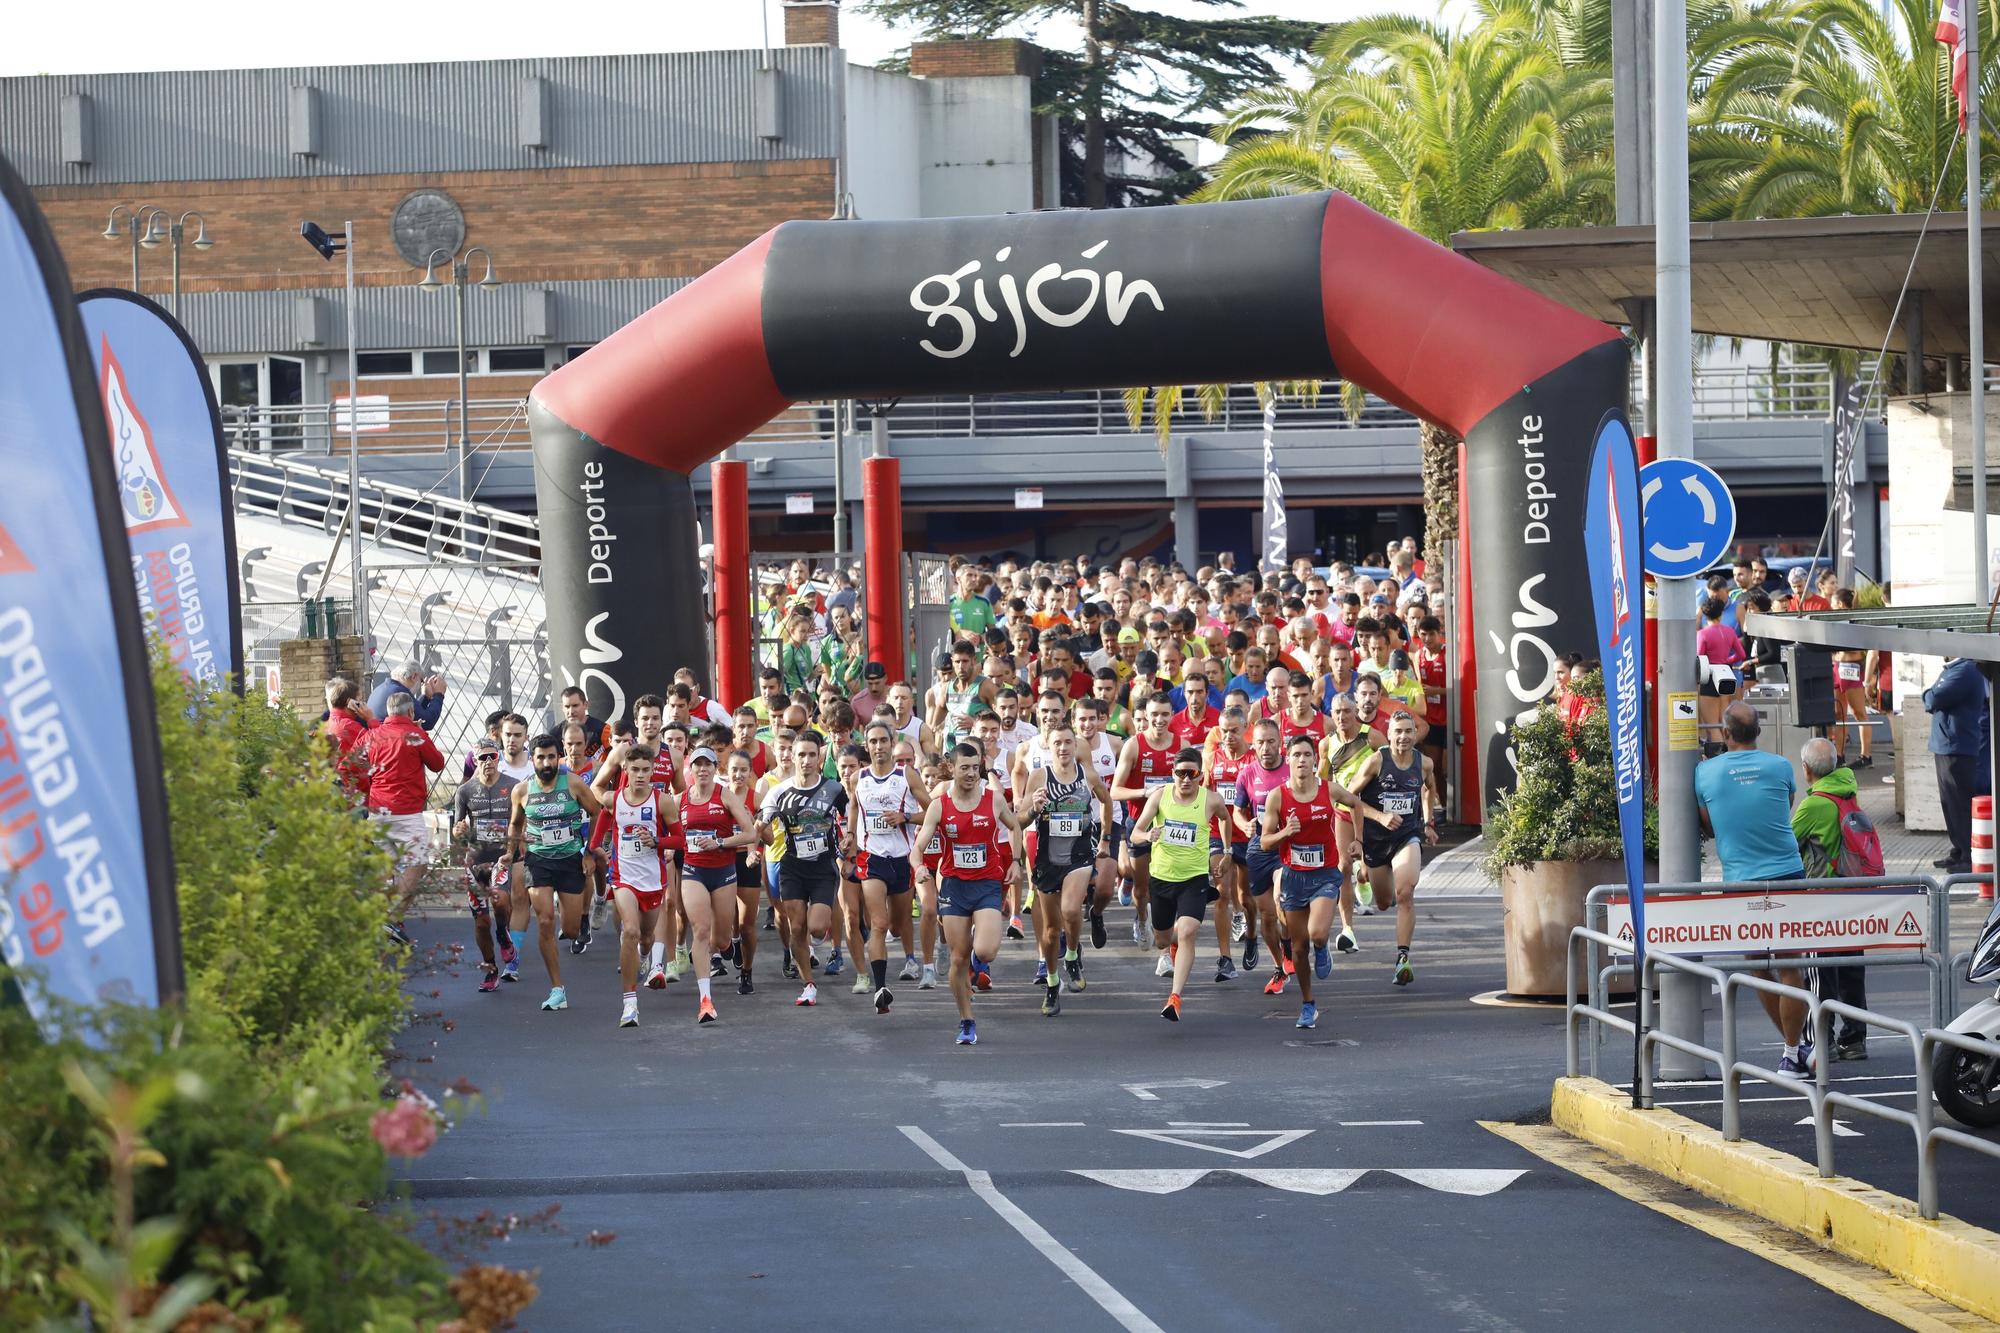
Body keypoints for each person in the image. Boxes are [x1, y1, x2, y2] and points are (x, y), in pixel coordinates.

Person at [1693, 702, 1813, 1071]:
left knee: (1758, 966)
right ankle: (1794, 1050)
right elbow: (1785, 806)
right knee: (1791, 966)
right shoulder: (1780, 766)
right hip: (1788, 873)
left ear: (1725, 733)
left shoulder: (1704, 773)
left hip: (1740, 880)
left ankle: (1793, 1049)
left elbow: (1708, 826)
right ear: (1758, 732)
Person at [913, 743, 1028, 1046]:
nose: (970, 773)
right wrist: (918, 868)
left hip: (988, 883)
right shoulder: (940, 804)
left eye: (975, 767)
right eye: (964, 767)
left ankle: (979, 967)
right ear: (950, 768)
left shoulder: (993, 800)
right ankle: (966, 1020)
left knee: (986, 950)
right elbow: (919, 844)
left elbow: (1015, 826)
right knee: (957, 958)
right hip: (953, 886)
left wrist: (1015, 862)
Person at [1261, 733, 1372, 1029]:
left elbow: (1356, 805)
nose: (1301, 760)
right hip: (1294, 877)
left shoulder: (1329, 790)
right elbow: (1264, 842)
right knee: (1298, 949)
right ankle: (1309, 1004)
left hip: (1324, 875)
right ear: (1289, 760)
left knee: (1317, 933)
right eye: (1296, 755)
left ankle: (1322, 947)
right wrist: (1285, 833)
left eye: (1307, 755)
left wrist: (1359, 841)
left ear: (1315, 761)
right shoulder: (1278, 796)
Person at [1130, 748, 1231, 1022]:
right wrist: (1148, 834)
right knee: (1163, 938)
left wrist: (1228, 849)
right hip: (1161, 878)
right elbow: (1135, 832)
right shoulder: (1160, 796)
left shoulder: (1210, 799)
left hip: (1194, 878)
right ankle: (1168, 942)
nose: (1185, 779)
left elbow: (1225, 818)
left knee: (1188, 931)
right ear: (1172, 774)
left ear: (1201, 775)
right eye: (1180, 773)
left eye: (1192, 774)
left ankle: (1174, 998)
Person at [755, 729, 855, 1007]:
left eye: (812, 754)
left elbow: (850, 817)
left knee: (816, 928)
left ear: (820, 755)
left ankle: (822, 938)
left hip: (823, 867)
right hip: (792, 867)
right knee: (796, 927)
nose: (806, 760)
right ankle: (808, 984)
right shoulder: (778, 792)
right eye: (801, 754)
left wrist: (849, 842)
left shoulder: (833, 789)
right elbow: (762, 829)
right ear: (792, 756)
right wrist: (761, 833)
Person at [507, 733, 605, 1014]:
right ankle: (557, 989)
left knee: (570, 928)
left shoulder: (572, 783)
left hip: (570, 859)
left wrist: (589, 851)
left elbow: (597, 814)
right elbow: (515, 825)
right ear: (533, 759)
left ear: (558, 756)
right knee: (546, 920)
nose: (547, 762)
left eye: (551, 756)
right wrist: (513, 849)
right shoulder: (522, 791)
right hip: (537, 862)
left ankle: (580, 919)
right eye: (541, 757)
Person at [1021, 720, 1112, 1011]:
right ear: (1049, 746)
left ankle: (1072, 954)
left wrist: (1106, 840)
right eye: (1057, 743)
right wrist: (1033, 808)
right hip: (1048, 859)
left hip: (1079, 855)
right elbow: (1020, 819)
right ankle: (1051, 982)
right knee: (1049, 932)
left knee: (1071, 910)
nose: (1062, 748)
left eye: (1067, 742)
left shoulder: (1087, 776)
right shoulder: (1038, 776)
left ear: (1076, 746)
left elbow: (1107, 802)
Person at [1793, 737, 1872, 1062]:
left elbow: (1791, 843)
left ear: (1806, 769)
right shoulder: (1849, 793)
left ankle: (1822, 1041)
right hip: (1853, 896)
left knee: (1822, 972)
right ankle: (1854, 1039)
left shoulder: (1814, 805)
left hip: (1823, 897)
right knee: (1852, 969)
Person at [1346, 711, 1439, 985]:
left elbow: (1429, 789)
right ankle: (1362, 873)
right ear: (1389, 734)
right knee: (1384, 902)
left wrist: (1428, 821)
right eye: (1398, 731)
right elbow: (1349, 798)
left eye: (1408, 731)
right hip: (1376, 840)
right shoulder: (1376, 762)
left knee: (1405, 893)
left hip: (1406, 836)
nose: (1403, 737)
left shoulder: (1424, 764)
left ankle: (1402, 958)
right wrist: (1380, 817)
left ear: (1415, 734)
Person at [598, 744, 681, 1028]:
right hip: (624, 878)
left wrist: (658, 841)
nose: (641, 775)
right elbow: (602, 824)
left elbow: (680, 840)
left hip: (653, 880)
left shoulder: (663, 801)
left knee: (646, 938)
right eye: (635, 770)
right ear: (626, 770)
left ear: (652, 770)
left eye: (646, 769)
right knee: (630, 931)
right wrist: (592, 850)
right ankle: (630, 1004)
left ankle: (645, 957)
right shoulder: (614, 799)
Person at [851, 720, 929, 1012]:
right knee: (879, 924)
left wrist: (905, 818)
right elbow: (854, 807)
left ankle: (901, 956)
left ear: (891, 741)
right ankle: (881, 988)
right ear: (867, 745)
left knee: (897, 925)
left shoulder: (906, 775)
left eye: (883, 740)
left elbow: (932, 810)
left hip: (901, 859)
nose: (878, 746)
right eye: (873, 741)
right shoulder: (859, 777)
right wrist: (850, 835)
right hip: (872, 857)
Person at [676, 745, 758, 1021]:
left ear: (715, 769)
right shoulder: (681, 800)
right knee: (700, 931)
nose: (702, 769)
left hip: (723, 873)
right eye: (697, 764)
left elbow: (749, 833)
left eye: (707, 764)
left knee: (720, 938)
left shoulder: (725, 796)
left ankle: (727, 947)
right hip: (693, 871)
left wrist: (719, 843)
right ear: (691, 769)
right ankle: (705, 1000)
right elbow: (665, 828)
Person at [362, 691, 446, 944]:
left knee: (385, 870)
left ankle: (385, 925)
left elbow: (352, 763)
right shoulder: (414, 734)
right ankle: (390, 919)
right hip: (407, 811)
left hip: (377, 811)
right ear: (410, 713)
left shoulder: (372, 734)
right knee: (417, 865)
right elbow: (438, 763)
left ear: (388, 712)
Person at [451, 738, 517, 990]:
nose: (488, 762)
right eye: (483, 758)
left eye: (493, 756)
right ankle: (490, 968)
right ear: (475, 761)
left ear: (498, 757)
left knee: (500, 900)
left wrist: (514, 847)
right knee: (480, 921)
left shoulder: (513, 786)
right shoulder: (465, 791)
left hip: (500, 857)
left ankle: (503, 933)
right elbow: (457, 830)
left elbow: (519, 820)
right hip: (475, 860)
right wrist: (460, 831)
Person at [1923, 656, 1991, 874]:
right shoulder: (1954, 669)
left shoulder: (1964, 670)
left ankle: (1967, 855)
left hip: (1957, 748)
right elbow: (1934, 696)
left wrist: (1929, 693)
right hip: (1948, 746)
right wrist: (1931, 693)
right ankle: (1959, 850)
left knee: (1959, 804)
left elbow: (1933, 698)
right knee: (1949, 803)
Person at [1828, 589, 1873, 770]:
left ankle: (1866, 754)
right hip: (1836, 667)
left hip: (1851, 667)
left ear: (1840, 604)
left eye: (1833, 603)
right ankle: (1839, 755)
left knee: (1859, 713)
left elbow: (1859, 647)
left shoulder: (1854, 620)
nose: (1830, 607)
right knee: (1839, 713)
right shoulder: (1835, 621)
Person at [367, 660, 447, 732]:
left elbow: (414, 712)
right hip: (387, 739)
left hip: (379, 737)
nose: (422, 685)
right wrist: (438, 694)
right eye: (421, 681)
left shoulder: (386, 687)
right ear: (414, 677)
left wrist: (426, 697)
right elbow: (427, 722)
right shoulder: (399, 693)